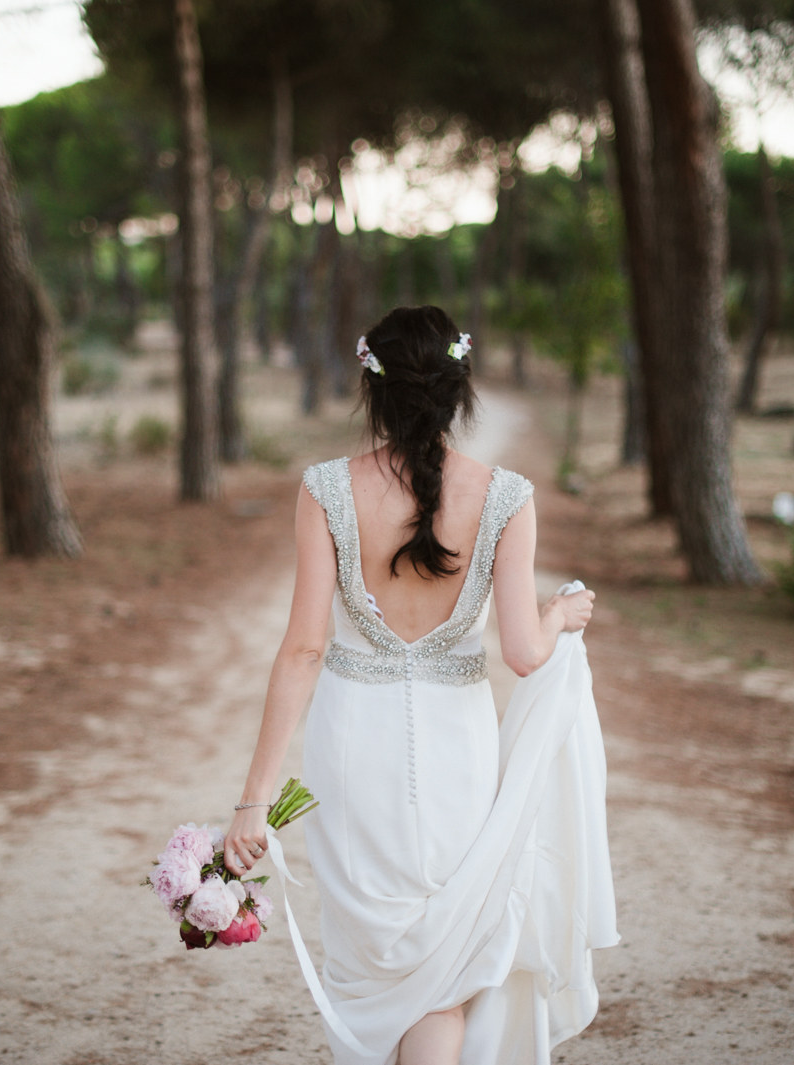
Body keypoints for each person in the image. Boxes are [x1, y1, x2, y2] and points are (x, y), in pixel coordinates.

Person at [223, 305, 617, 1065]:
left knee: (374, 964)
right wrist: (558, 613)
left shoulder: (326, 490)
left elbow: (304, 649)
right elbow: (527, 653)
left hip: (352, 746)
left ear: (371, 389)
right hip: (457, 751)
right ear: (459, 390)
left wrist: (253, 802)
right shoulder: (506, 497)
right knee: (441, 973)